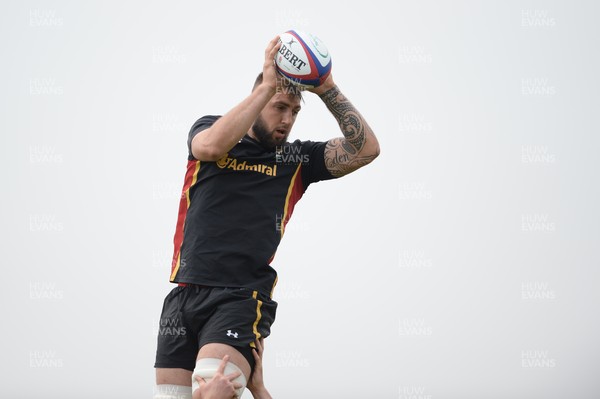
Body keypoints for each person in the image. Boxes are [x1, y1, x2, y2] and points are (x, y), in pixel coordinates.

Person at [154, 35, 380, 399]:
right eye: (279, 107)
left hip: (240, 298)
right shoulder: (210, 128)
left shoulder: (297, 160)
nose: (287, 119)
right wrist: (267, 86)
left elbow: (366, 149)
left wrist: (327, 89)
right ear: (258, 99)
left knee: (214, 391)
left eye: (295, 112)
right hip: (182, 295)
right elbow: (210, 147)